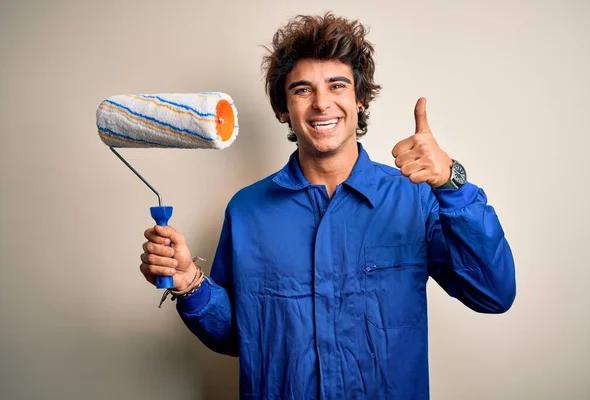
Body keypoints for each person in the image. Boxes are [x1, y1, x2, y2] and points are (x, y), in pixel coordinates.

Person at [139, 12, 516, 399]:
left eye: (337, 85)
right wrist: (189, 284)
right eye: (302, 90)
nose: (322, 103)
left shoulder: (414, 198)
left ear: (360, 98)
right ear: (283, 109)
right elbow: (243, 339)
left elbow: (493, 293)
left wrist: (453, 183)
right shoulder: (247, 211)